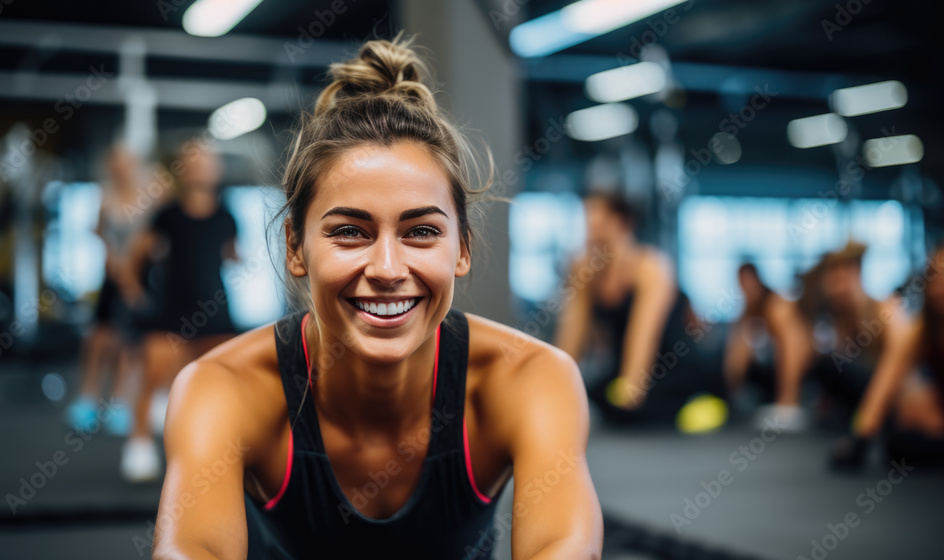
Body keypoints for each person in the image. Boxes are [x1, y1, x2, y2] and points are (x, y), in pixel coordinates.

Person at [152, 36, 603, 559]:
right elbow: (189, 549)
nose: (387, 270)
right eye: (349, 232)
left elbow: (564, 548)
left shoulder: (531, 380)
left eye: (421, 233)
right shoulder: (222, 390)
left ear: (462, 249)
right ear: (296, 249)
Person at [120, 139, 240, 482]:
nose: (202, 167)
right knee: (153, 374)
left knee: (221, 384)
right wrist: (134, 291)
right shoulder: (166, 216)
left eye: (208, 161)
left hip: (215, 310)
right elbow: (137, 256)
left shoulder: (226, 216)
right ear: (183, 170)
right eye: (195, 161)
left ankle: (214, 451)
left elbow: (232, 254)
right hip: (171, 311)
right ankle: (139, 447)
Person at [554, 191, 721, 426]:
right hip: (621, 364)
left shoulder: (651, 267)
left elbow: (643, 335)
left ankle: (699, 403)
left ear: (622, 223)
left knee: (632, 405)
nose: (590, 228)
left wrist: (631, 386)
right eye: (586, 219)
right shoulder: (584, 269)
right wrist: (551, 387)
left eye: (597, 220)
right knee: (594, 392)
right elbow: (572, 337)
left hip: (671, 366)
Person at [831, 244, 944, 470]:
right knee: (898, 446)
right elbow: (885, 380)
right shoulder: (920, 331)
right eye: (936, 279)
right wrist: (860, 439)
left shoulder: (884, 309)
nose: (940, 287)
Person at [65, 144, 147, 435]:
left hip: (139, 279)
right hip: (112, 278)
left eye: (126, 163)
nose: (121, 169)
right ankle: (88, 397)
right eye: (116, 164)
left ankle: (120, 402)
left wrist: (132, 275)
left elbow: (152, 241)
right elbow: (97, 230)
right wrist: (113, 259)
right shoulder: (106, 195)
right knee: (98, 339)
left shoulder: (150, 197)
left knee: (129, 343)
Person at [796, 242, 906, 428]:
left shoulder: (883, 308)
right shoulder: (833, 318)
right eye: (833, 279)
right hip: (856, 397)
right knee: (826, 364)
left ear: (856, 276)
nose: (838, 287)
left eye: (843, 277)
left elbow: (898, 361)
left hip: (889, 391)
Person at [724, 263, 812, 429]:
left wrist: (787, 402)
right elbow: (735, 363)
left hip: (805, 374)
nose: (745, 288)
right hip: (768, 380)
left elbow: (795, 350)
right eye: (741, 284)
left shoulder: (778, 307)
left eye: (748, 282)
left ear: (758, 281)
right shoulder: (747, 314)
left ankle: (789, 402)